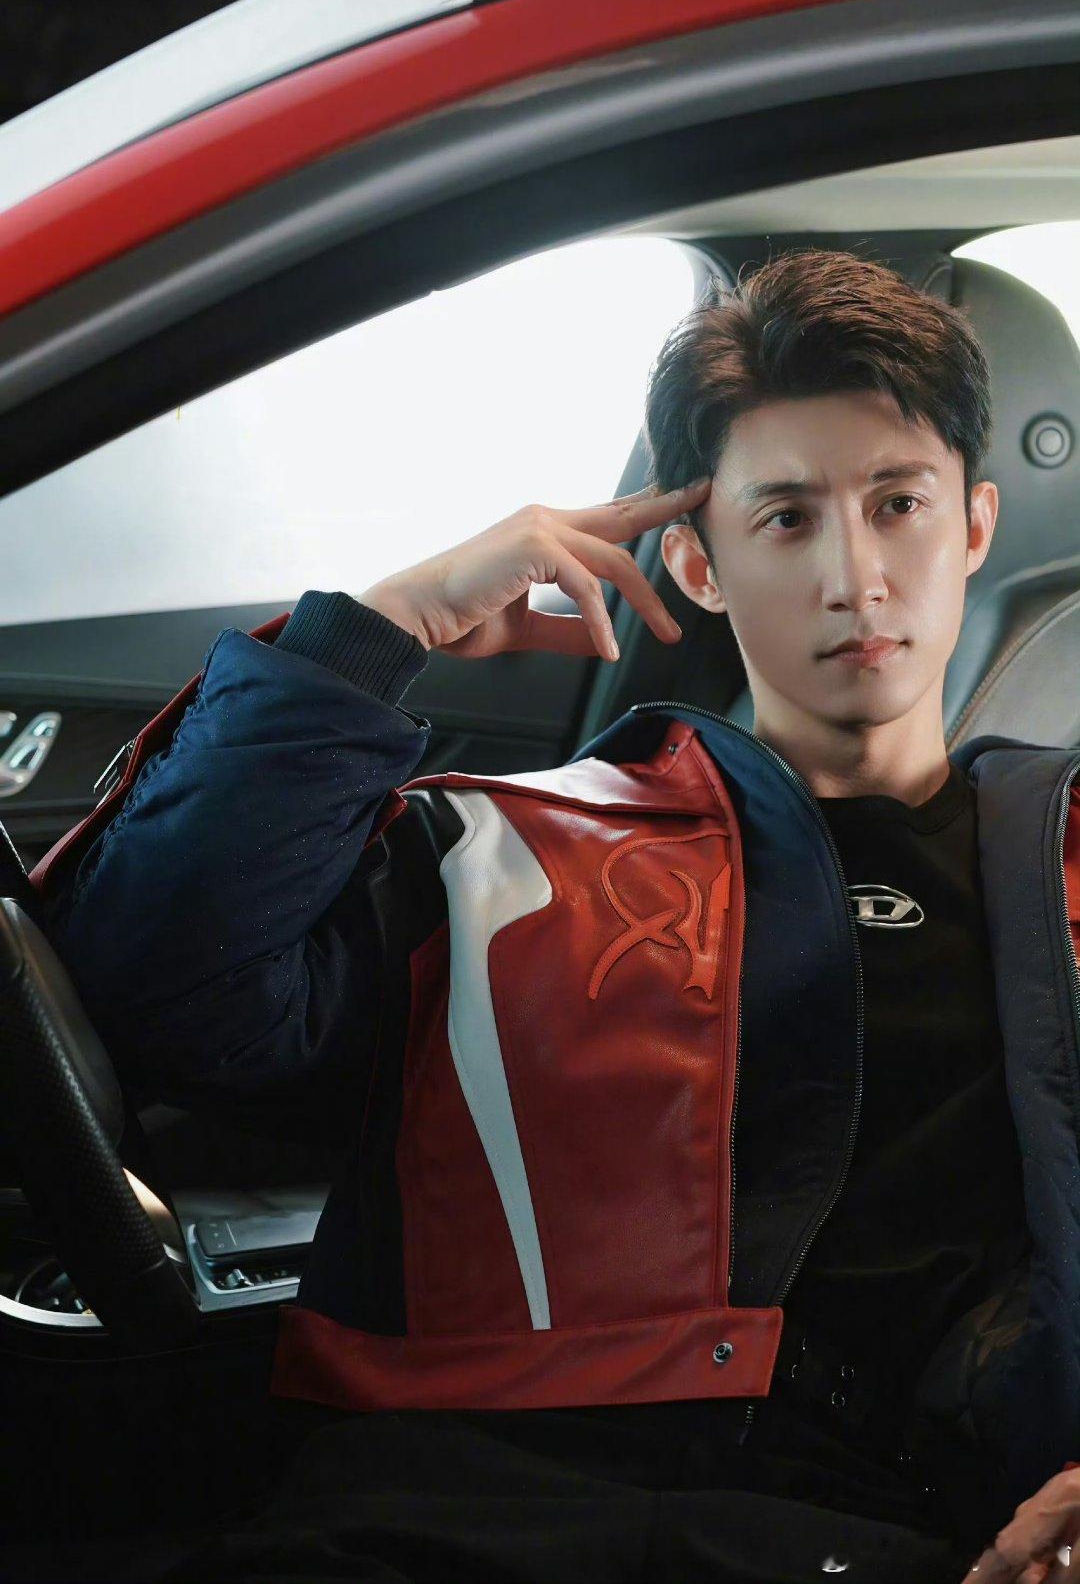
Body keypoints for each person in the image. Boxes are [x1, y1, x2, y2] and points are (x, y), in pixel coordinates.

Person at [33, 250, 1080, 1583]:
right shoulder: (510, 851)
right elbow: (156, 989)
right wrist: (376, 631)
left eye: (898, 504)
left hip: (901, 1536)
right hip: (453, 1520)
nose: (856, 575)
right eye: (786, 519)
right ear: (696, 564)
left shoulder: (1064, 878)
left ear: (975, 526)